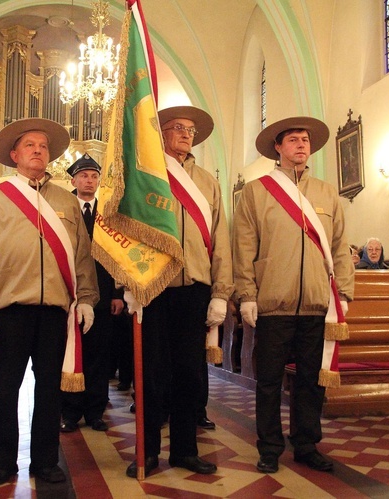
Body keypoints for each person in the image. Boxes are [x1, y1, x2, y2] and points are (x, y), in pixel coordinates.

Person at [0, 118, 98, 486]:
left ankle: (46, 460)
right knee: (5, 389)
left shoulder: (66, 200)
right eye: (30, 145)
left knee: (49, 389)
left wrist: (85, 298)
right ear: (14, 155)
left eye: (43, 146)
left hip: (56, 310)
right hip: (10, 309)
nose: (38, 150)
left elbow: (82, 256)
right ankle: (3, 462)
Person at [233, 116, 354, 474]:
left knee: (311, 381)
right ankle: (269, 446)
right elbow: (243, 247)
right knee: (269, 382)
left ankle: (306, 444)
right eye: (293, 140)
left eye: (305, 140)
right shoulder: (256, 191)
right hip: (273, 303)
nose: (301, 144)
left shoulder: (327, 192)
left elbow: (340, 245)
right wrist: (247, 294)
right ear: (278, 146)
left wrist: (343, 292)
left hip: (318, 304)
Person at [123, 106, 233, 478]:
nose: (186, 134)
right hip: (153, 286)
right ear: (162, 134)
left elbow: (221, 240)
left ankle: (185, 450)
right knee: (151, 373)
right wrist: (129, 284)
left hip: (195, 289)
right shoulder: (147, 176)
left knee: (190, 373)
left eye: (191, 129)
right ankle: (148, 450)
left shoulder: (207, 182)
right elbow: (129, 232)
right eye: (178, 128)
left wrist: (221, 291)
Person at [60, 154, 124, 434]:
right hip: (69, 296)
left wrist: (117, 294)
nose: (89, 180)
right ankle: (70, 412)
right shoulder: (62, 209)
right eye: (84, 176)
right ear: (73, 180)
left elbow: (117, 256)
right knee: (72, 356)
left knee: (100, 357)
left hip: (101, 295)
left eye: (94, 176)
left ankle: (96, 411)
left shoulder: (108, 214)